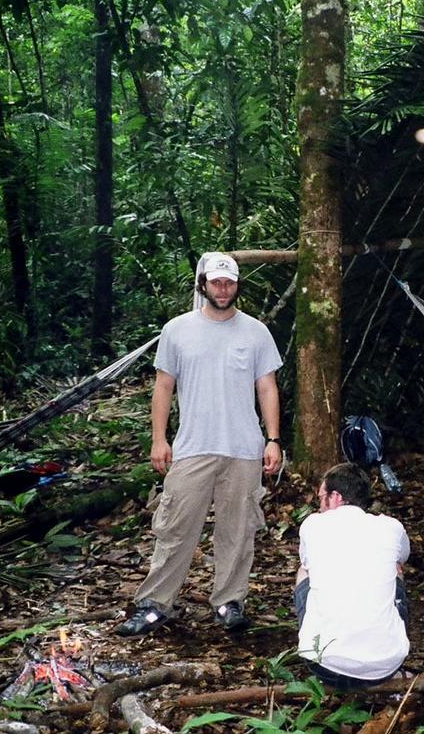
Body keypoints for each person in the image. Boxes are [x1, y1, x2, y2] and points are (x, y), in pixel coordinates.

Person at [117, 251, 283, 636]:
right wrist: (159, 439)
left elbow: (267, 387)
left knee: (238, 531)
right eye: (215, 282)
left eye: (229, 282)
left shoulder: (256, 332)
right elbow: (163, 386)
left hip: (243, 448)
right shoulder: (177, 330)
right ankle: (155, 604)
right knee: (175, 527)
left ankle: (229, 601)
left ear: (237, 285)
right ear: (203, 284)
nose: (222, 289)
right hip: (192, 446)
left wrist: (272, 440)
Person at [294, 463, 410, 689]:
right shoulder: (391, 526)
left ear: (335, 497)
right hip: (385, 666)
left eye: (321, 498)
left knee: (304, 571)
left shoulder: (313, 525)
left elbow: (308, 563)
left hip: (322, 664)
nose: (319, 506)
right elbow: (402, 558)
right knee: (394, 568)